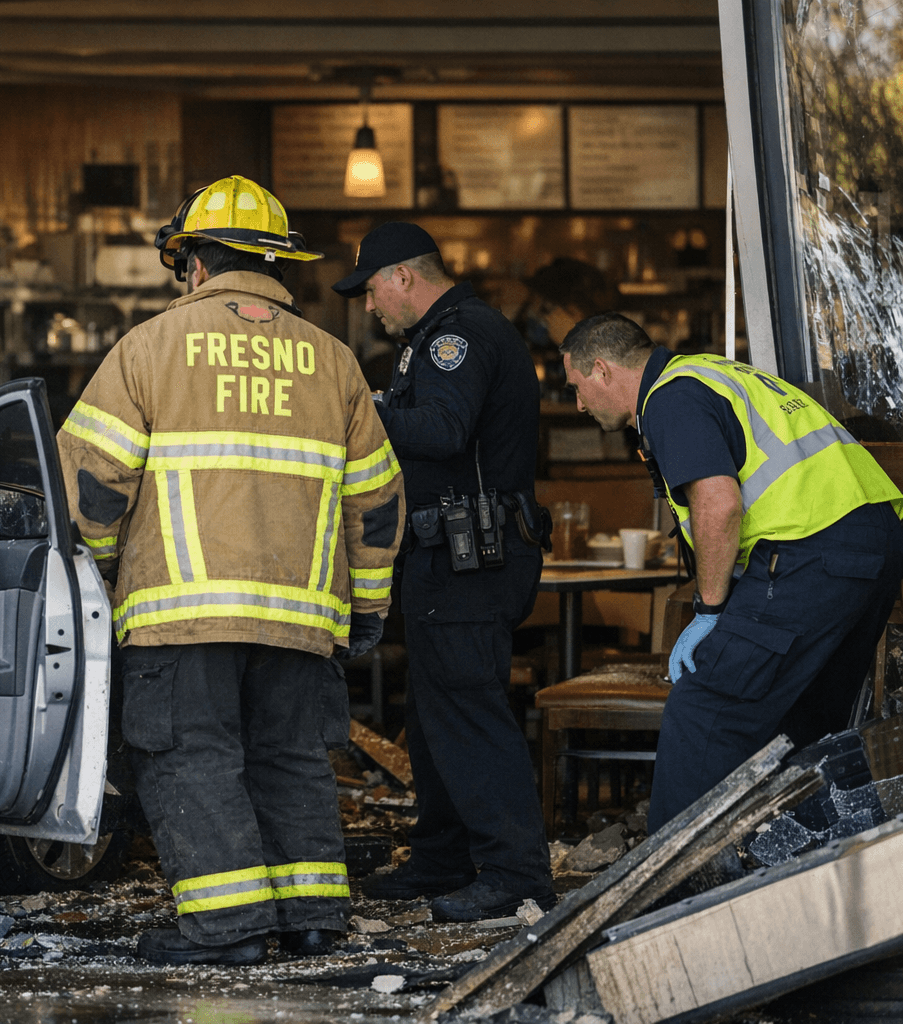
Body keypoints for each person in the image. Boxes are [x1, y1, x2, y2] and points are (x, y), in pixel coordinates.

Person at [58, 176, 403, 965]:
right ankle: (313, 917)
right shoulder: (335, 361)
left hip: (181, 615)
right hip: (303, 617)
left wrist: (100, 581)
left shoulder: (147, 348)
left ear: (193, 265)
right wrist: (369, 608)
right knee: (290, 757)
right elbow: (378, 503)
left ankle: (228, 931)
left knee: (191, 755)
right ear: (277, 265)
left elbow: (94, 487)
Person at [559, 313, 903, 830]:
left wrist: (710, 609)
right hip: (872, 540)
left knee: (705, 709)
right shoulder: (713, 373)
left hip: (811, 549)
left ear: (603, 370)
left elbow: (718, 505)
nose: (579, 404)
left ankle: (675, 893)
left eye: (578, 387)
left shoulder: (670, 398)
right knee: (805, 721)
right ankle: (805, 872)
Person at [332, 223, 553, 922]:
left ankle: (515, 874)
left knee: (468, 710)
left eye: (371, 290)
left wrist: (360, 412)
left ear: (403, 276)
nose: (369, 307)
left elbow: (443, 431)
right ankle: (440, 859)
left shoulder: (457, 337)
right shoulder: (435, 338)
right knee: (432, 715)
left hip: (471, 554)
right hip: (449, 554)